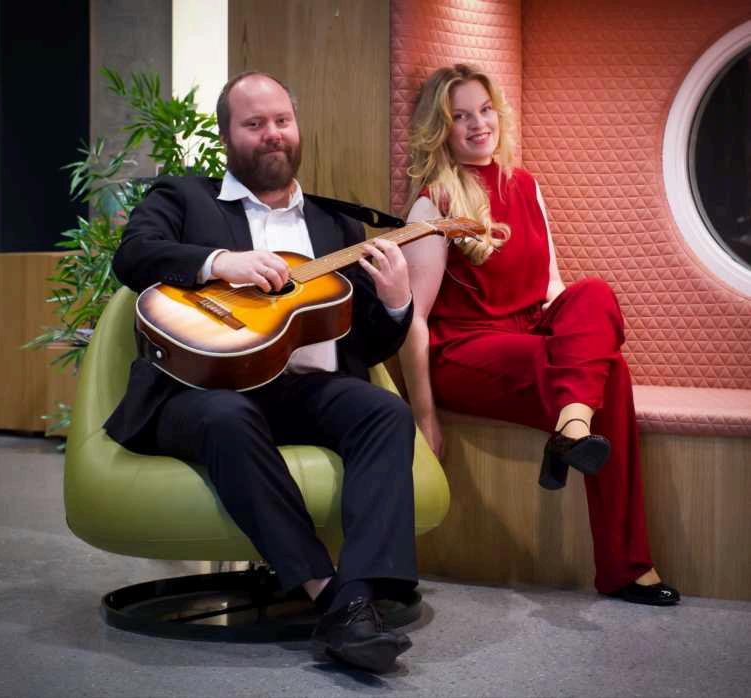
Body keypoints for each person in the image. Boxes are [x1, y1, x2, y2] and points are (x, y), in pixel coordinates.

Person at [105, 71, 417, 673]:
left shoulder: (336, 225)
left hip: (307, 391)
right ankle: (335, 598)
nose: (272, 134)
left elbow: (366, 344)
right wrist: (220, 262)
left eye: (281, 121)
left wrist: (397, 301)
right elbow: (133, 254)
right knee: (228, 414)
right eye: (254, 124)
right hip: (203, 389)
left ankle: (356, 596)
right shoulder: (185, 198)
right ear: (226, 136)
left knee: (384, 411)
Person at [398, 63, 680, 606]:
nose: (478, 124)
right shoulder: (434, 203)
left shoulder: (524, 184)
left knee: (594, 295)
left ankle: (572, 426)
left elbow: (552, 286)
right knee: (612, 374)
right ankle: (626, 568)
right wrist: (423, 417)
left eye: (484, 110)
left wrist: (580, 340)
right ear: (442, 129)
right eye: (461, 116)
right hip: (466, 351)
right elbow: (413, 318)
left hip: (527, 333)